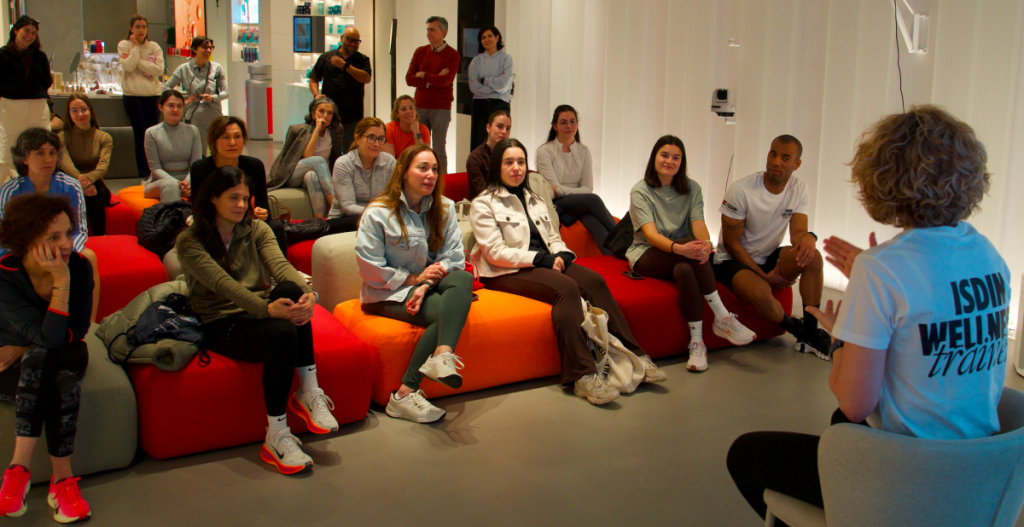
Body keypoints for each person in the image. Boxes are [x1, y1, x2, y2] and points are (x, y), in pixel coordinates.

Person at [727, 106, 1008, 526]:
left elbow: (856, 404)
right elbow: (935, 303)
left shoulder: (883, 270)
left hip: (909, 473)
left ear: (883, 175)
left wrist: (842, 336)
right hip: (982, 471)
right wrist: (875, 271)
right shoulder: (990, 255)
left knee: (749, 455)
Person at [470, 138, 666, 406]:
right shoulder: (484, 203)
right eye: (509, 162)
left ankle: (636, 355)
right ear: (497, 167)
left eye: (520, 162)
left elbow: (553, 235)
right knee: (566, 288)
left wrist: (562, 254)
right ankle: (582, 376)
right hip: (506, 270)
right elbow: (494, 252)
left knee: (595, 281)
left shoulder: (534, 198)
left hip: (544, 261)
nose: (516, 168)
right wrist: (540, 259)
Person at [176, 166, 338, 475]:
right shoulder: (190, 241)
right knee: (281, 333)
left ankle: (308, 390)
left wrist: (309, 294)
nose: (240, 205)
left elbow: (281, 266)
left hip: (256, 310)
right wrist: (267, 310)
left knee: (291, 291)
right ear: (212, 198)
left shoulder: (256, 229)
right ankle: (276, 435)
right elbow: (224, 286)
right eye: (233, 198)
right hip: (222, 322)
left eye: (245, 198)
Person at [356, 144, 472, 424]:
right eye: (422, 168)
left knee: (463, 276)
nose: (430, 175)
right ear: (403, 172)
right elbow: (371, 268)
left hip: (425, 286)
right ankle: (404, 393)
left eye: (434, 169)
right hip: (387, 292)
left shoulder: (443, 207)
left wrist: (423, 285)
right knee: (440, 315)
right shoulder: (378, 212)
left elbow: (454, 256)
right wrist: (413, 280)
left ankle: (442, 355)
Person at [0, 195, 94, 522]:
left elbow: (67, 334)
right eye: (54, 237)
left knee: (41, 354)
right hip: (9, 364)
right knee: (62, 383)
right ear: (27, 239)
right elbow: (43, 336)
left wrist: (62, 280)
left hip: (64, 350)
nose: (67, 243)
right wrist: (29, 347)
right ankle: (63, 484)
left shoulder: (79, 268)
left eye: (69, 233)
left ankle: (17, 470)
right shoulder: (5, 275)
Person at [628, 136, 756, 372]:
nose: (670, 161)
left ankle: (697, 343)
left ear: (682, 162)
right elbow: (652, 235)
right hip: (647, 254)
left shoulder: (692, 188)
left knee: (685, 269)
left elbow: (698, 222)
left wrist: (705, 243)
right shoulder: (640, 190)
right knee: (689, 251)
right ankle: (723, 316)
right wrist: (682, 248)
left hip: (683, 255)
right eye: (664, 155)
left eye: (676, 157)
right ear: (654, 158)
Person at [712, 135, 829, 358]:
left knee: (813, 257)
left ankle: (811, 333)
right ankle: (800, 332)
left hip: (768, 255)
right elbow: (732, 245)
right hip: (732, 260)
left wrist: (810, 237)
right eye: (773, 154)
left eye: (785, 158)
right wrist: (764, 277)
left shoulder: (799, 189)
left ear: (797, 164)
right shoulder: (741, 190)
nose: (776, 162)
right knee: (764, 295)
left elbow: (798, 235)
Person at [189, 116, 287, 257]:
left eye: (237, 136)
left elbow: (264, 208)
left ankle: (276, 275)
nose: (232, 143)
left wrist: (262, 213)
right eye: (225, 137)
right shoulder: (200, 168)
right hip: (214, 222)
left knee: (276, 227)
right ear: (214, 141)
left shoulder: (254, 166)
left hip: (246, 220)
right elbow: (198, 210)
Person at [536, 105, 617, 255]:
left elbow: (588, 188)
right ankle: (623, 238)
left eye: (573, 121)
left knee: (592, 220)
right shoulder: (545, 151)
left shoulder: (584, 151)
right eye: (564, 122)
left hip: (579, 203)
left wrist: (561, 189)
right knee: (593, 200)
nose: (569, 126)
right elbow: (553, 190)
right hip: (555, 204)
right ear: (555, 126)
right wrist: (567, 191)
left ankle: (612, 257)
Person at [268, 97, 344, 218]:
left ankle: (319, 221)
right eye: (321, 111)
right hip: (293, 173)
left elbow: (336, 157)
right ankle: (336, 205)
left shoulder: (336, 131)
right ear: (313, 113)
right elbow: (306, 156)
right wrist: (317, 128)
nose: (325, 115)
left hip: (315, 175)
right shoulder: (298, 129)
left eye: (329, 113)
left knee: (311, 176)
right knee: (318, 160)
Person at [405, 16, 461, 174]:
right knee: (418, 148)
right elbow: (409, 79)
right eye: (427, 29)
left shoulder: (453, 55)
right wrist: (432, 79)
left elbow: (446, 81)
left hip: (440, 108)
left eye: (432, 30)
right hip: (420, 106)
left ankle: (442, 186)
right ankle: (418, 180)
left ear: (443, 32)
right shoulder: (420, 51)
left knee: (438, 150)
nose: (428, 33)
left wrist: (423, 74)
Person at [0, 17, 52, 183]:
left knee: (42, 145)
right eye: (26, 31)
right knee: (8, 148)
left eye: (33, 33)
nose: (29, 35)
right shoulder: (3, 55)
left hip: (38, 106)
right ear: (16, 30)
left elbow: (46, 81)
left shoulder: (40, 56)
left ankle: (41, 187)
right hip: (12, 107)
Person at [118, 14, 165, 182]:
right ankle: (144, 174)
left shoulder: (154, 46)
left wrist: (137, 61)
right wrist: (136, 49)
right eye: (137, 27)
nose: (140, 30)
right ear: (131, 28)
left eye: (143, 27)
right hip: (133, 96)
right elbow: (128, 66)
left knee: (153, 135)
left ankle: (156, 171)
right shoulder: (124, 45)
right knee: (141, 135)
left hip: (153, 95)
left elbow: (159, 70)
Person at [309, 26, 371, 151]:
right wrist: (316, 95)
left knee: (351, 151)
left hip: (352, 116)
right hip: (328, 117)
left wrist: (345, 65)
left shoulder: (362, 60)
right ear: (342, 38)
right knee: (327, 150)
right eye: (350, 40)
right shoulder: (326, 57)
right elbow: (314, 78)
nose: (353, 44)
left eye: (356, 41)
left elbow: (366, 78)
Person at [328, 117, 396, 232]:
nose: (376, 144)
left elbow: (392, 198)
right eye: (371, 138)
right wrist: (381, 212)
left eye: (381, 139)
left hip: (379, 218)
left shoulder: (389, 162)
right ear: (358, 139)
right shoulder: (344, 163)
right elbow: (348, 207)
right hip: (345, 220)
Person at [58, 95, 113, 236]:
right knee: (77, 192)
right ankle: (75, 238)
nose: (80, 114)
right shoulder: (62, 137)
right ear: (69, 114)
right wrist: (82, 182)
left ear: (90, 111)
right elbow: (66, 164)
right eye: (74, 111)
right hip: (70, 180)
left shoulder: (104, 137)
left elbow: (103, 166)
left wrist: (88, 180)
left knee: (97, 193)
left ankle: (100, 237)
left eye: (83, 109)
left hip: (95, 181)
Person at [164, 36, 227, 155]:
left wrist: (213, 97)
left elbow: (226, 92)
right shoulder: (184, 69)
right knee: (199, 152)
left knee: (218, 150)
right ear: (194, 49)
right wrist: (183, 102)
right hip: (195, 115)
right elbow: (166, 88)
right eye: (204, 47)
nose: (208, 50)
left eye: (210, 48)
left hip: (214, 113)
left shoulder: (217, 68)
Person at [143, 89, 202, 203]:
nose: (175, 110)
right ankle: (172, 219)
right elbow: (155, 169)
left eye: (179, 106)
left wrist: (188, 182)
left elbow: (196, 163)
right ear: (161, 107)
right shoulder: (151, 133)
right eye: (171, 105)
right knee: (170, 185)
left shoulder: (193, 131)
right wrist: (177, 184)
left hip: (188, 181)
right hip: (160, 181)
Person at [467, 26, 513, 151]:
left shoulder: (506, 59)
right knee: (478, 140)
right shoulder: (476, 61)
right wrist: (496, 89)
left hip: (500, 104)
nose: (487, 40)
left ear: (497, 37)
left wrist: (485, 80)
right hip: (480, 105)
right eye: (483, 37)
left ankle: (499, 169)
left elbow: (504, 84)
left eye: (489, 36)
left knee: (500, 140)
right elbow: (473, 87)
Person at [465, 110, 510, 200]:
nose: (504, 131)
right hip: (483, 206)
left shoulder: (510, 154)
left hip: (507, 202)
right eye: (500, 126)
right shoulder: (475, 157)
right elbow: (484, 193)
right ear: (488, 128)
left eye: (508, 128)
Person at [382, 95, 429, 159]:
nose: (408, 112)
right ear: (397, 114)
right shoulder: (389, 128)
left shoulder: (423, 129)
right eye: (403, 109)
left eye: (411, 108)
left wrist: (416, 133)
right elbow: (390, 162)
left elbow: (424, 158)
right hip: (397, 167)